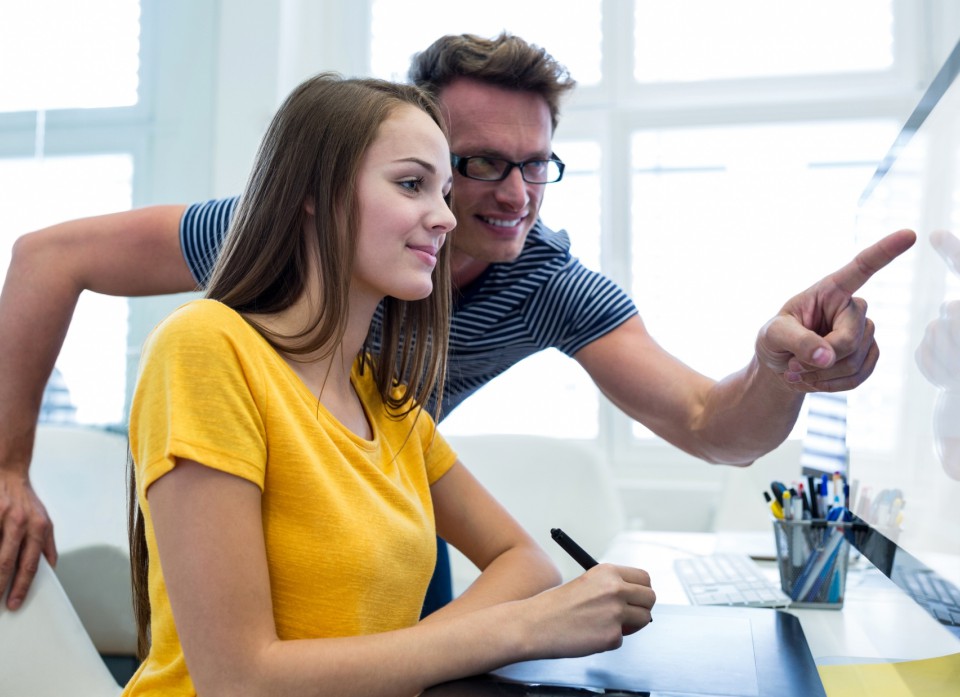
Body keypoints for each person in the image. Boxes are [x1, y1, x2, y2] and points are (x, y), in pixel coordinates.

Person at [0, 32, 916, 612]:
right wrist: (9, 466)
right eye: (474, 164)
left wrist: (779, 368)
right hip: (242, 511)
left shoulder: (542, 284)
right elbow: (50, 256)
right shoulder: (291, 234)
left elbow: (713, 426)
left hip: (383, 502)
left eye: (538, 165)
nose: (515, 196)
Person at [120, 72, 654, 696]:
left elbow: (527, 563)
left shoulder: (387, 400)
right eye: (411, 185)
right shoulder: (207, 346)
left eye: (446, 191)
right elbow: (240, 681)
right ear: (313, 194)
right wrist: (521, 630)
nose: (446, 217)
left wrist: (441, 651)